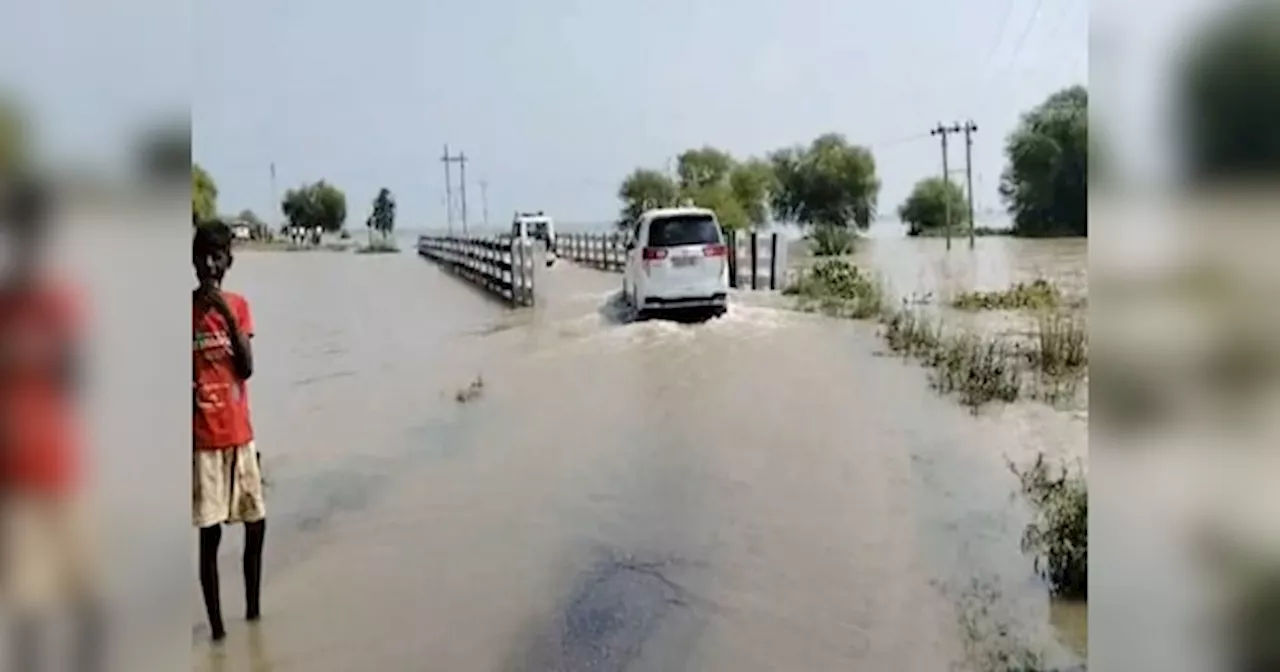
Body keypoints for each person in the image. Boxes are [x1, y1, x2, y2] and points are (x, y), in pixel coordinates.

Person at [0, 176, 103, 671]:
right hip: (13, 482)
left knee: (87, 601)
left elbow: (80, 379)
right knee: (27, 611)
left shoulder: (60, 302)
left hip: (62, 470)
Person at [192, 220, 266, 642]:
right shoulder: (184, 313)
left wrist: (220, 309)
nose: (209, 263)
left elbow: (248, 367)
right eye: (202, 256)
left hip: (240, 434)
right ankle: (218, 630)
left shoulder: (237, 306)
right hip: (204, 440)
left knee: (256, 523)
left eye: (216, 256)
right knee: (210, 533)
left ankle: (254, 616)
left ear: (227, 262)